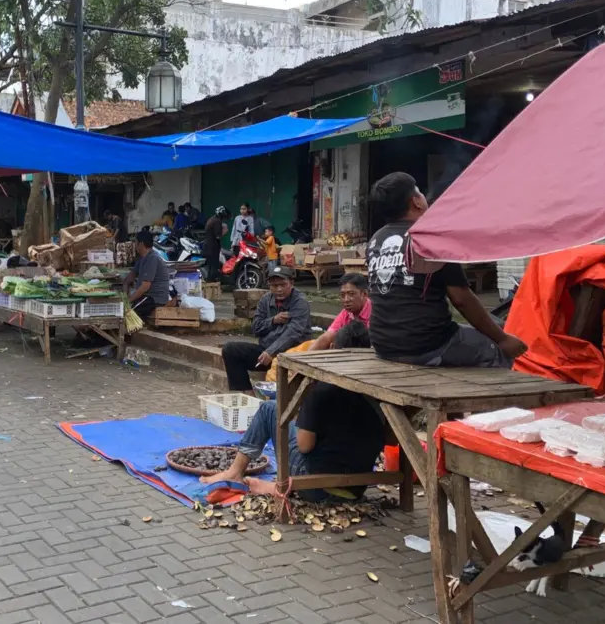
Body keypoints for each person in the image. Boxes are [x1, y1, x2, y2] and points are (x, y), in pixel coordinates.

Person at [202, 319, 385, 499]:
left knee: (269, 409)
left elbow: (304, 446)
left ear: (332, 349)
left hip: (316, 490)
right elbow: (388, 440)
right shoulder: (379, 391)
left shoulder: (320, 389)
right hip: (355, 490)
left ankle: (240, 474)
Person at [366, 172, 527, 367]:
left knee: (495, 326)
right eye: (419, 192)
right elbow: (461, 300)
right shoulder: (430, 239)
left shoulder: (376, 239)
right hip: (428, 345)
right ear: (415, 201)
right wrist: (502, 340)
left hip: (383, 345)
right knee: (498, 346)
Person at [221, 266, 313, 391]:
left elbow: (293, 333)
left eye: (283, 285)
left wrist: (272, 351)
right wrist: (273, 320)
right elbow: (255, 328)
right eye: (274, 285)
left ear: (291, 283)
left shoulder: (300, 303)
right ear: (269, 285)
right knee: (230, 350)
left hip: (292, 353)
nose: (279, 289)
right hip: (266, 351)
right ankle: (246, 394)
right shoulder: (265, 300)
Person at [310, 273, 372, 351]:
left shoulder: (377, 314)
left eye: (351, 294)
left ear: (364, 294)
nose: (346, 299)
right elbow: (326, 338)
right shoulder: (346, 313)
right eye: (342, 295)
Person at [124, 229, 171, 319]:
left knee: (129, 312)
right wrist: (125, 289)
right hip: (146, 297)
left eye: (135, 242)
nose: (134, 245)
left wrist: (129, 300)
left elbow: (145, 287)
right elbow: (130, 278)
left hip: (154, 298)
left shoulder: (152, 258)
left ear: (141, 244)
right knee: (127, 308)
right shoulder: (142, 259)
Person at [203, 206, 229, 282]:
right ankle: (211, 284)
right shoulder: (217, 221)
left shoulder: (212, 219)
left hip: (209, 246)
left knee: (211, 266)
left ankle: (210, 283)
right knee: (214, 267)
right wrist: (224, 231)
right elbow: (218, 236)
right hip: (212, 247)